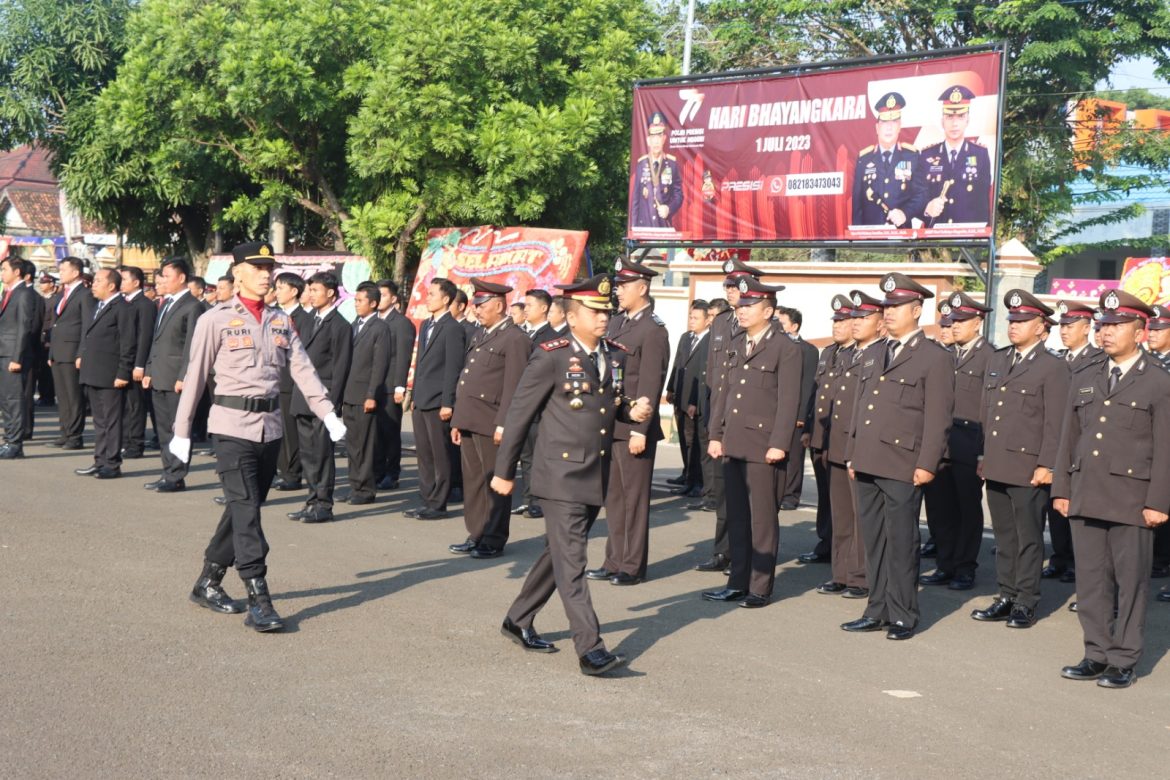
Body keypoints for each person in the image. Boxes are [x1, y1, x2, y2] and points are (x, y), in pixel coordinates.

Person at [172, 241, 345, 632]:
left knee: (241, 507)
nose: (267, 273)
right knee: (247, 510)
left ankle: (207, 581)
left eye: (270, 266)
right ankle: (259, 597)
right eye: (258, 267)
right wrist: (181, 432)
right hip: (231, 427)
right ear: (239, 274)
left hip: (270, 429)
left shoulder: (281, 320)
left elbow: (303, 370)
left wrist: (327, 412)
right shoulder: (214, 319)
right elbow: (196, 375)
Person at [489, 274, 652, 675]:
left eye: (606, 311)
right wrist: (503, 472)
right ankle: (590, 648)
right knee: (573, 561)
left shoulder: (611, 355)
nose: (603, 318)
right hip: (559, 474)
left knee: (558, 554)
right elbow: (519, 414)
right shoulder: (551, 355)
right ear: (573, 315)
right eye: (595, 312)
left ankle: (518, 617)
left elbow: (606, 404)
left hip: (593, 472)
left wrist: (631, 411)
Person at [1053, 289, 1170, 688]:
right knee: (1090, 580)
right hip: (1087, 492)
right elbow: (1069, 438)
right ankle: (1096, 652)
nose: (1106, 333)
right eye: (1103, 326)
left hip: (1132, 500)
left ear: (1139, 332)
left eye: (1116, 326)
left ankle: (1123, 658)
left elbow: (1167, 448)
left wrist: (1158, 501)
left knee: (1131, 581)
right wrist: (1062, 488)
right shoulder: (1085, 376)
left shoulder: (1157, 381)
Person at [842, 272, 954, 640]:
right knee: (873, 540)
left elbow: (938, 418)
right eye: (886, 307)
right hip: (868, 459)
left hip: (904, 464)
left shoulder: (933, 356)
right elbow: (861, 407)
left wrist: (927, 463)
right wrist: (852, 453)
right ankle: (876, 608)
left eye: (896, 307)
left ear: (917, 310)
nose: (888, 313)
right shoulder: (875, 352)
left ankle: (903, 613)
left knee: (902, 541)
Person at [703, 277, 803, 608]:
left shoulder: (785, 348)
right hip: (733, 441)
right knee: (737, 517)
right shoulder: (734, 342)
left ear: (769, 310)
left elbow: (789, 402)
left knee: (762, 519)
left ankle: (759, 586)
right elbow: (724, 393)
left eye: (750, 306)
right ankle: (736, 581)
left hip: (764, 446)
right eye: (741, 305)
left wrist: (779, 443)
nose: (742, 311)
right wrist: (716, 434)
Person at [971, 291, 1068, 629]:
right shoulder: (998, 360)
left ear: (1042, 327)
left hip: (1029, 467)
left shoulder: (1053, 367)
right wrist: (983, 454)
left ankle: (1026, 601)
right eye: (1011, 321)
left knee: (1028, 537)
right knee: (1004, 535)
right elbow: (989, 414)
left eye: (1022, 321)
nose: (1014, 327)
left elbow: (1056, 423)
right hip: (998, 463)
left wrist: (1048, 464)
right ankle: (1006, 594)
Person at [587, 257, 668, 586]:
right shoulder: (618, 323)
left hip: (634, 426)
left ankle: (632, 566)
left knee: (633, 501)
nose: (618, 291)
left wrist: (640, 430)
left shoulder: (653, 330)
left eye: (623, 286)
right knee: (614, 499)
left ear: (643, 288)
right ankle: (613, 560)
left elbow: (650, 382)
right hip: (611, 423)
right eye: (617, 286)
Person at [449, 279, 533, 558]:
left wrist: (504, 424)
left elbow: (514, 386)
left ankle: (494, 537)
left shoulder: (515, 338)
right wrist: (458, 420)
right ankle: (476, 533)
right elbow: (468, 379)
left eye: (481, 305)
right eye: (475, 305)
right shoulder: (481, 334)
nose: (476, 310)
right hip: (471, 419)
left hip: (492, 422)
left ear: (499, 305)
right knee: (473, 481)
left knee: (495, 482)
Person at [694, 258, 766, 571]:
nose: (731, 291)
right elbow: (713, 371)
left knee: (750, 494)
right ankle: (724, 550)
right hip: (721, 412)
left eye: (736, 285)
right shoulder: (722, 322)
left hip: (750, 420)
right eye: (727, 286)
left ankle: (749, 553)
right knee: (723, 489)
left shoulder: (764, 323)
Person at [920, 291, 993, 592]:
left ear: (978, 322)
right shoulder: (945, 355)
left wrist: (984, 453)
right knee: (939, 509)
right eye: (953, 321)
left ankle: (965, 567)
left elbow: (990, 409)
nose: (956, 326)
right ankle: (945, 563)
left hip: (969, 445)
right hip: (942, 443)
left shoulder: (990, 356)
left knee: (966, 510)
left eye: (962, 320)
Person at [818, 290, 886, 598]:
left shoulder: (883, 354)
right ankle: (841, 572)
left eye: (861, 318)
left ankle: (861, 577)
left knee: (862, 518)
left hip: (861, 449)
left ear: (880, 322)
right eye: (853, 318)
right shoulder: (844, 354)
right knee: (841, 515)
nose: (855, 323)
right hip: (837, 446)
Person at [1043, 300, 1106, 582]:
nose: (1064, 331)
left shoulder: (1097, 360)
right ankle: (1059, 556)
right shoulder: (1058, 359)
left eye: (1070, 326)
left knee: (1078, 507)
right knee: (1056, 504)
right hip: (1056, 443)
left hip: (1080, 445)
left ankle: (1076, 562)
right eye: (1062, 326)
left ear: (1086, 328)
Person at [287, 271, 352, 524]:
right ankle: (311, 500)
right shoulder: (306, 321)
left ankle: (324, 504)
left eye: (316, 290)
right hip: (302, 397)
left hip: (323, 400)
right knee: (308, 455)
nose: (311, 295)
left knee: (322, 455)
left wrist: (331, 407)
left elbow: (340, 367)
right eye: (310, 290)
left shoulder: (340, 326)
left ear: (331, 294)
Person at [807, 294, 856, 591]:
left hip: (845, 442)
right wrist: (809, 429)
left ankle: (852, 569)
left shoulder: (861, 355)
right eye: (835, 321)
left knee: (849, 511)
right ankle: (832, 555)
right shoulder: (828, 353)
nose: (837, 326)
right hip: (822, 437)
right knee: (829, 502)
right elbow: (818, 395)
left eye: (843, 321)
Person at [143, 257, 205, 493]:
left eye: (167, 276)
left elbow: (191, 346)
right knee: (163, 429)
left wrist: (184, 376)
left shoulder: (192, 306)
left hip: (176, 378)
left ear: (181, 278)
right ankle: (167, 471)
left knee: (178, 428)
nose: (163, 281)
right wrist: (149, 368)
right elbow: (156, 341)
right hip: (159, 374)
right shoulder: (165, 303)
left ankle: (177, 476)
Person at [408, 277, 466, 519]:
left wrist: (447, 402)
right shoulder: (425, 324)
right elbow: (420, 362)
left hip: (438, 400)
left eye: (432, 294)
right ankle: (427, 498)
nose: (427, 297)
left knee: (439, 453)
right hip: (421, 397)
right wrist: (412, 394)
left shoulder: (453, 328)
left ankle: (438, 503)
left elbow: (453, 368)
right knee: (424, 452)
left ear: (445, 299)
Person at [74, 268, 136, 479]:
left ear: (111, 285)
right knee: (99, 421)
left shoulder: (123, 308)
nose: (94, 283)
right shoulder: (99, 306)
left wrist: (123, 372)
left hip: (111, 374)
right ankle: (99, 461)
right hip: (94, 371)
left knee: (111, 421)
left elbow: (128, 344)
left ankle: (112, 463)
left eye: (99, 280)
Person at [338, 282, 391, 506]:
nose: (357, 304)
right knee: (352, 444)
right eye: (355, 300)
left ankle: (365, 489)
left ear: (373, 303)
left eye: (361, 301)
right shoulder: (354, 325)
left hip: (365, 395)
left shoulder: (380, 327)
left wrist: (372, 394)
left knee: (365, 445)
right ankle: (354, 486)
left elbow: (380, 365)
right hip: (350, 394)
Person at [919, 85, 992, 227]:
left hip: (966, 239)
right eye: (949, 117)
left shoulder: (980, 154)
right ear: (942, 121)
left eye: (960, 116)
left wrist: (981, 238)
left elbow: (983, 202)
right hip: (934, 239)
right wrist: (926, 209)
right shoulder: (927, 155)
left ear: (967, 121)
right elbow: (917, 196)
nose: (954, 123)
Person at [851, 92, 926, 228]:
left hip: (902, 236)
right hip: (871, 237)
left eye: (894, 122)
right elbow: (858, 204)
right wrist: (858, 238)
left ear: (899, 126)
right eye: (884, 122)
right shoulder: (864, 159)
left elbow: (921, 195)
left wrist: (905, 213)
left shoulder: (912, 156)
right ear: (877, 128)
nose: (889, 127)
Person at [514, 288, 558, 519]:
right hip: (523, 406)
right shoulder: (521, 333)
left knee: (540, 457)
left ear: (543, 308)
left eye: (529, 305)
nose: (525, 309)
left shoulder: (551, 337)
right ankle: (528, 498)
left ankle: (540, 501)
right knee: (526, 456)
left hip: (541, 408)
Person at [271, 272, 313, 492]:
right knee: (274, 429)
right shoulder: (274, 315)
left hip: (290, 382)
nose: (276, 291)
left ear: (294, 291)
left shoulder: (304, 319)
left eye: (280, 287)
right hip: (272, 380)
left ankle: (292, 474)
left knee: (290, 432)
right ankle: (279, 470)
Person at [777, 306, 819, 515]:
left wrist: (802, 416)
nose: (778, 327)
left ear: (794, 326)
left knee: (793, 457)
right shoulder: (774, 346)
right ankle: (776, 492)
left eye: (782, 323)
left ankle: (790, 495)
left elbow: (808, 385)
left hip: (796, 414)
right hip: (776, 412)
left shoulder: (808, 350)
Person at [666, 300, 710, 497]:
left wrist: (694, 401)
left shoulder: (709, 341)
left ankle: (698, 482)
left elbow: (703, 375)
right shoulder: (686, 338)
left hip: (694, 400)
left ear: (707, 320)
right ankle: (688, 475)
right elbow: (677, 363)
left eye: (696, 318)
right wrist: (670, 388)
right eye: (690, 317)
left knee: (695, 443)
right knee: (684, 440)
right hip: (680, 395)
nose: (691, 321)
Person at [374, 279, 415, 490]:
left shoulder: (401, 323)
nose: (378, 299)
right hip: (373, 386)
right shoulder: (372, 321)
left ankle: (392, 473)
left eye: (383, 295)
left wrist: (400, 386)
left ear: (393, 298)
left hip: (391, 386)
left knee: (390, 431)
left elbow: (403, 356)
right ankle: (377, 471)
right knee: (375, 432)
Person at [0, 256, 39, 459]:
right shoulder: (9, 293)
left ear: (16, 272)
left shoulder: (24, 293)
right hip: (3, 352)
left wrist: (17, 357)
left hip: (13, 355)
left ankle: (15, 443)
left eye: (4, 269)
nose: (1, 273)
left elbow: (24, 327)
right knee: (6, 400)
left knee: (14, 400)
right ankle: (8, 440)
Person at [118, 266, 156, 459]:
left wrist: (140, 364)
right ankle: (126, 441)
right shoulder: (125, 303)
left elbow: (145, 337)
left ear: (136, 282)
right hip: (123, 363)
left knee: (135, 406)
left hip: (136, 363)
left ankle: (135, 444)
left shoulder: (145, 305)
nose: (120, 283)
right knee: (125, 406)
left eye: (124, 279)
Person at [631, 111, 683, 229]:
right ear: (648, 140)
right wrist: (633, 228)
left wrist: (669, 208)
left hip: (663, 225)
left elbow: (678, 195)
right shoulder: (641, 164)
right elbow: (635, 200)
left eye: (659, 136)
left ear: (664, 139)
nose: (656, 141)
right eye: (653, 137)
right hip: (644, 226)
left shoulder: (672, 164)